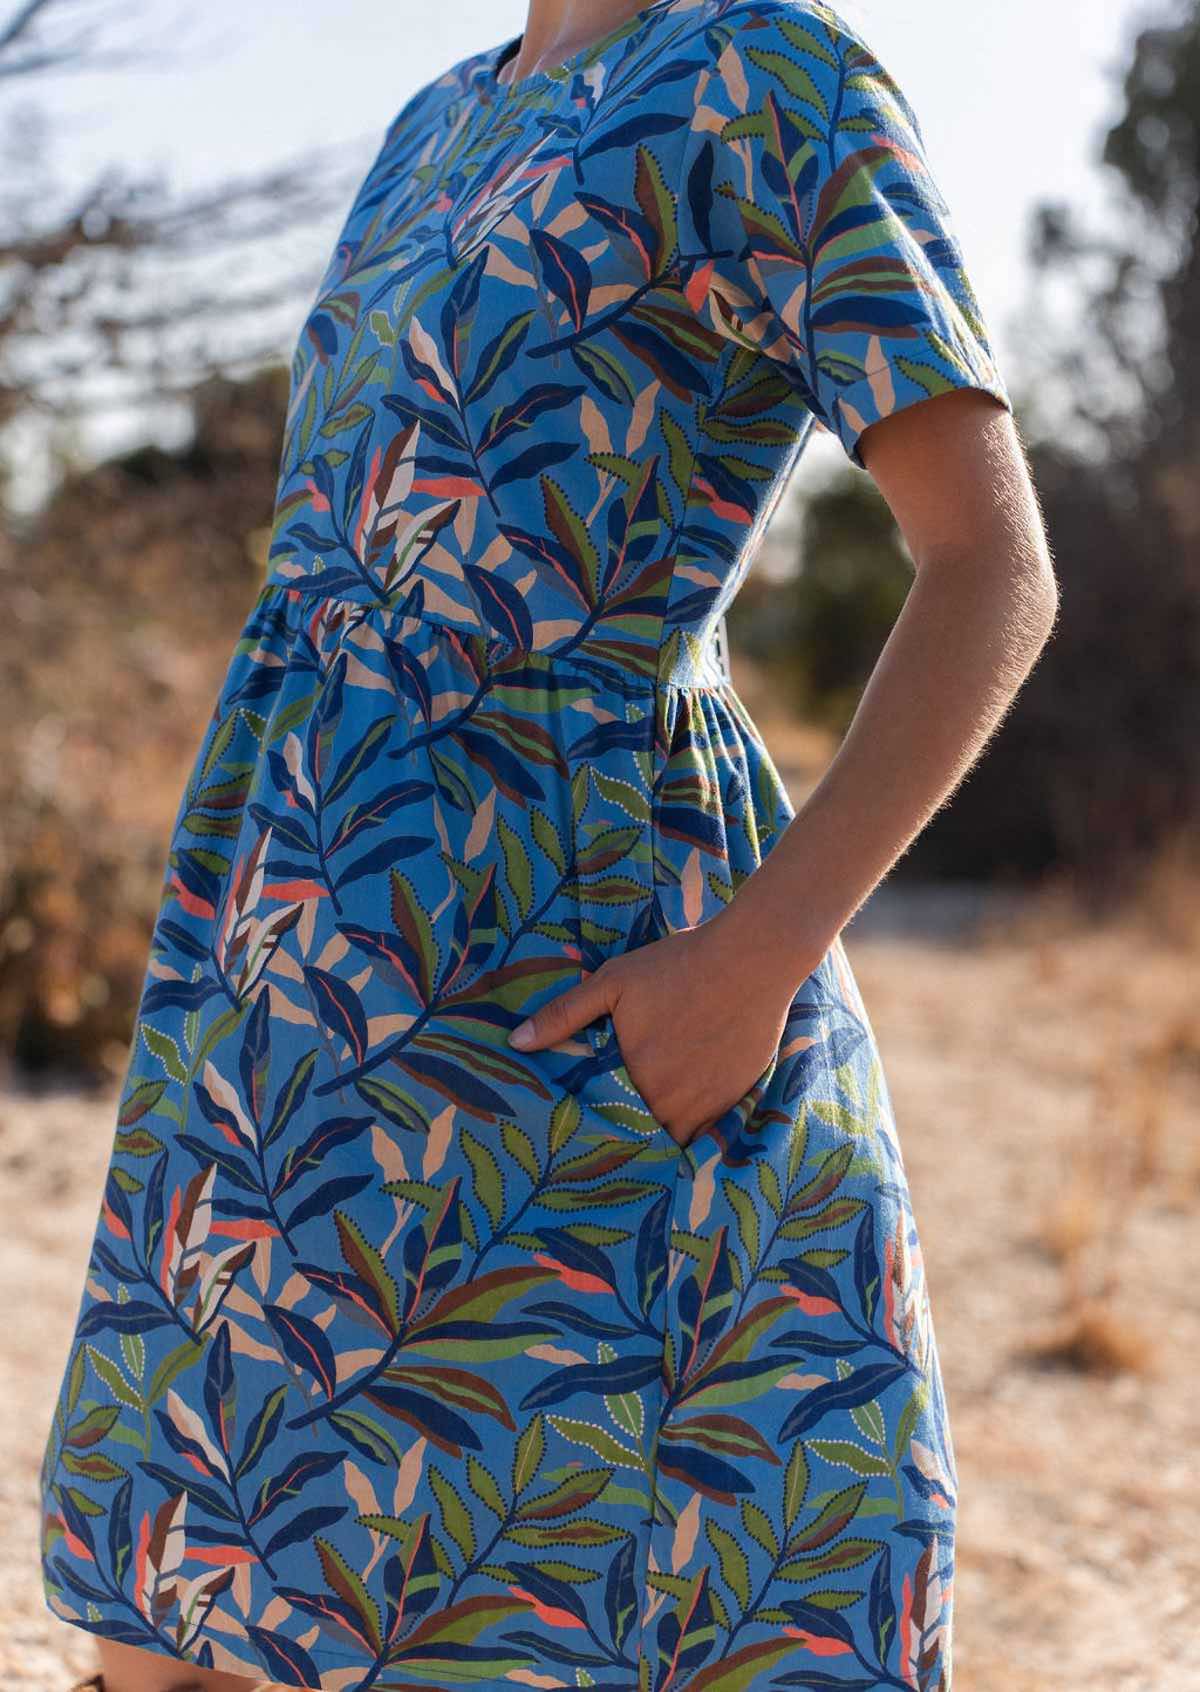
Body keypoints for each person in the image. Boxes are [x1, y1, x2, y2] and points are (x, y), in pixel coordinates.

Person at [39, 2, 1057, 1689]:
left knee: (519, 1584)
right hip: (283, 966)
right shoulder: (434, 122)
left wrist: (753, 963)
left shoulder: (766, 72)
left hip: (552, 976)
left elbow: (992, 567)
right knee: (186, 1584)